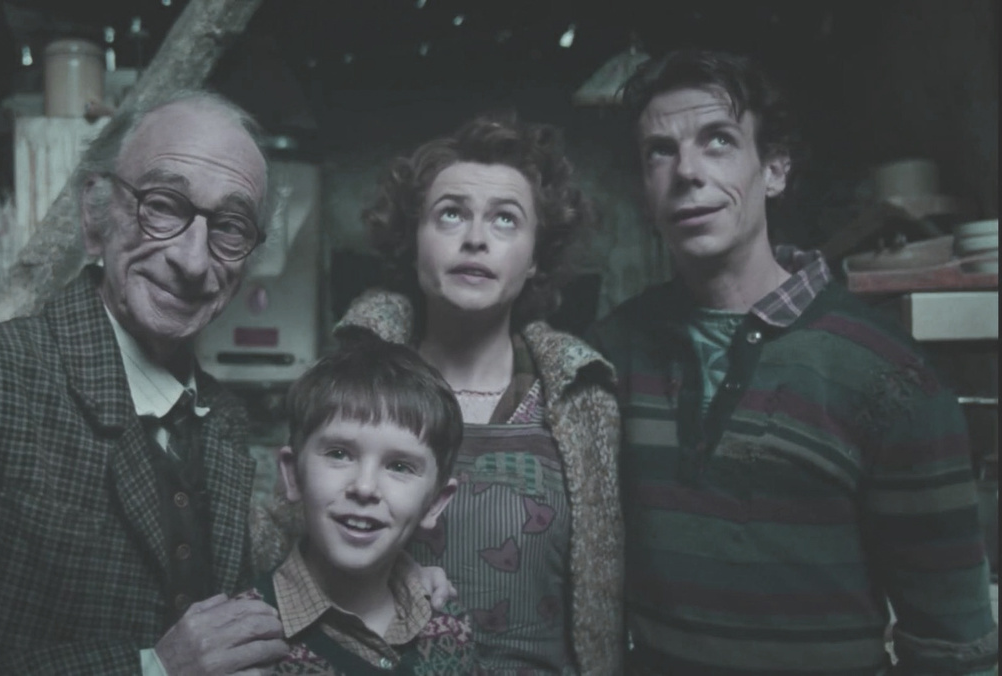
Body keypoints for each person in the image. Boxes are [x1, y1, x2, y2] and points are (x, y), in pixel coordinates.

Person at [0, 90, 292, 675]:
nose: (193, 261)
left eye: (231, 228)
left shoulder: (221, 418)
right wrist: (152, 669)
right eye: (163, 205)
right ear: (95, 216)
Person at [585, 49, 999, 675]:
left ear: (774, 169)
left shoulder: (887, 372)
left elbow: (952, 644)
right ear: (645, 191)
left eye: (718, 140)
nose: (687, 171)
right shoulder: (612, 350)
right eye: (660, 152)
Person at [335, 113, 624, 674]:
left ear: (535, 257)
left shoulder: (583, 401)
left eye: (505, 219)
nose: (475, 238)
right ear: (412, 241)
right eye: (450, 213)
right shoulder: (350, 382)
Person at [238, 335, 478, 674]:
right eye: (339, 454)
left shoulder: (449, 629)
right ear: (293, 475)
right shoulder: (243, 643)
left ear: (435, 504)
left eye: (400, 466)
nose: (365, 488)